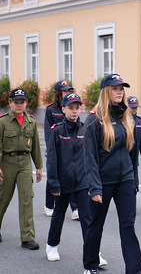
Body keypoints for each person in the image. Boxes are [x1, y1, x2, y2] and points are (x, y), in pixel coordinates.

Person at [83, 74, 141, 274]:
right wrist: (94, 187)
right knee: (96, 225)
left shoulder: (128, 117)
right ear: (106, 91)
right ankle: (90, 265)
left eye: (122, 88)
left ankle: (135, 271)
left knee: (128, 226)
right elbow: (89, 157)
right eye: (115, 88)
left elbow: (132, 153)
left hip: (125, 180)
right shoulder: (94, 120)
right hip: (102, 182)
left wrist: (134, 180)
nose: (120, 92)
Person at [46, 93, 91, 261]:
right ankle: (52, 245)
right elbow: (52, 159)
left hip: (82, 183)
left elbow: (89, 157)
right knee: (59, 214)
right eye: (70, 108)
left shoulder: (85, 129)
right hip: (63, 182)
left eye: (77, 108)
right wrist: (54, 184)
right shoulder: (57, 131)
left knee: (87, 217)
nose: (74, 111)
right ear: (63, 109)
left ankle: (92, 252)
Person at [0, 88, 42, 249]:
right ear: (10, 103)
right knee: (3, 198)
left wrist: (38, 166)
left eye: (22, 102)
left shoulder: (30, 122)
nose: (19, 105)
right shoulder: (3, 122)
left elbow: (36, 147)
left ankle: (27, 237)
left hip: (24, 162)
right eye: (16, 102)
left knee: (26, 198)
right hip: (6, 162)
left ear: (26, 104)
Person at [44, 80, 79, 220]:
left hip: (69, 147)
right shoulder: (50, 110)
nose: (67, 93)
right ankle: (49, 205)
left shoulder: (72, 108)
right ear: (58, 93)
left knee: (72, 175)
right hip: (56, 146)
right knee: (53, 176)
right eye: (64, 91)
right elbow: (47, 132)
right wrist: (50, 149)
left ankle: (75, 208)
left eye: (68, 91)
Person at [127, 96, 141, 192]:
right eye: (132, 108)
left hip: (135, 154)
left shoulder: (140, 121)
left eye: (135, 108)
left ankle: (134, 191)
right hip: (125, 154)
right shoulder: (123, 120)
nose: (134, 110)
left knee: (134, 175)